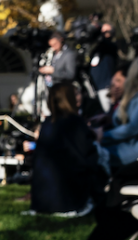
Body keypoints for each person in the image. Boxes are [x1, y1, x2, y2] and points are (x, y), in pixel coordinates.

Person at [31, 82, 106, 215]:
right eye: (75, 94)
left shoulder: (48, 123)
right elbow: (88, 158)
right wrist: (97, 141)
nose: (79, 96)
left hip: (42, 200)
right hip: (68, 198)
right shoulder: (75, 122)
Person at [89, 22, 120, 109]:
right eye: (101, 31)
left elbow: (106, 44)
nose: (102, 33)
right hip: (95, 88)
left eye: (106, 31)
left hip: (107, 86)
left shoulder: (111, 47)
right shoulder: (95, 48)